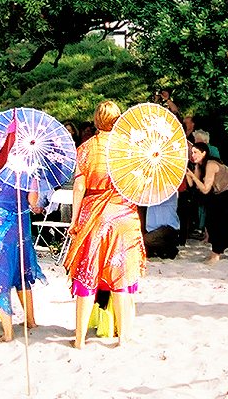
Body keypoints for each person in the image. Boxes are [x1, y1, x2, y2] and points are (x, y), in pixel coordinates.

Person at [64, 100, 146, 349]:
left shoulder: (87, 148)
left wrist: (74, 219)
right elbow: (139, 185)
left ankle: (79, 340)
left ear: (96, 120)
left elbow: (79, 186)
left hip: (95, 215)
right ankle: (123, 337)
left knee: (87, 276)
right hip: (124, 214)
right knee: (121, 276)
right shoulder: (129, 149)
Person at [0, 174, 44, 343]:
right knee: (21, 270)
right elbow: (32, 200)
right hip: (20, 223)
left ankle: (8, 332)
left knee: (0, 274)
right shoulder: (27, 168)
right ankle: (31, 321)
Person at [184, 142, 228, 263]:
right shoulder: (199, 166)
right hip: (220, 193)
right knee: (211, 223)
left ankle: (216, 254)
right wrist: (188, 172)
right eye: (192, 153)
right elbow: (194, 186)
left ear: (204, 153)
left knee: (217, 223)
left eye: (195, 152)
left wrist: (193, 176)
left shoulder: (210, 164)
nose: (193, 155)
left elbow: (205, 189)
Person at [143, 191, 182, 259]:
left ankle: (170, 250)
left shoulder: (170, 193)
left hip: (169, 228)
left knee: (148, 239)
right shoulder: (152, 194)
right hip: (153, 229)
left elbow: (159, 199)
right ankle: (161, 252)